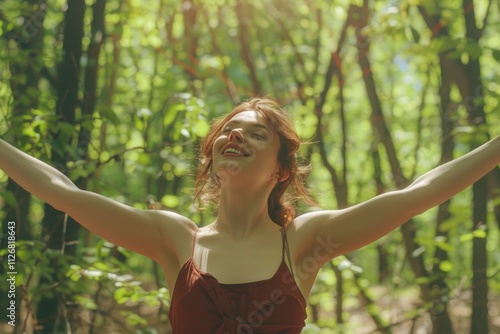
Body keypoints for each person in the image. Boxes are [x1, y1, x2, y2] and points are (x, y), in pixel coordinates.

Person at [0, 97, 499, 333]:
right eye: (228, 131)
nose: (234, 136)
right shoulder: (174, 239)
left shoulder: (305, 241)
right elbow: (60, 191)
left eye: (255, 134)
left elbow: (419, 194)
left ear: (282, 170)